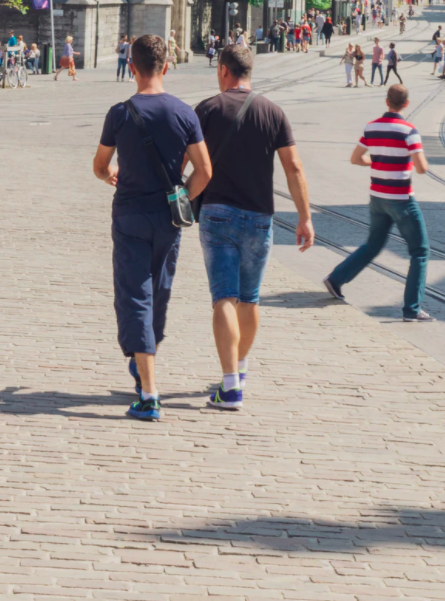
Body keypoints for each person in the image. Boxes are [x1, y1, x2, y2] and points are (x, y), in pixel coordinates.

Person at [92, 35, 212, 421]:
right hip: (167, 218)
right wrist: (181, 197)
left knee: (135, 296)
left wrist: (111, 175)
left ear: (131, 68)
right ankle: (146, 360)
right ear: (166, 66)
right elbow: (205, 171)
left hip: (129, 215)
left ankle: (149, 392)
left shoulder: (120, 113)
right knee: (158, 292)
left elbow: (99, 165)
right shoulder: (183, 113)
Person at [193, 44, 314, 410]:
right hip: (260, 218)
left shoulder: (208, 109)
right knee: (249, 298)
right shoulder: (272, 111)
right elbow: (294, 168)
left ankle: (230, 387)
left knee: (223, 298)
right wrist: (305, 216)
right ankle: (240, 370)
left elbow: (185, 159)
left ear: (224, 71)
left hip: (216, 214)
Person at [324, 84, 433, 323]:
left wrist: (378, 159)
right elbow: (423, 168)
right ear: (406, 104)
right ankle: (412, 309)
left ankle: (335, 279)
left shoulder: (372, 127)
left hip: (377, 197)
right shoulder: (409, 130)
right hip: (402, 199)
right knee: (420, 251)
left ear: (387, 102)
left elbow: (356, 158)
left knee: (372, 245)